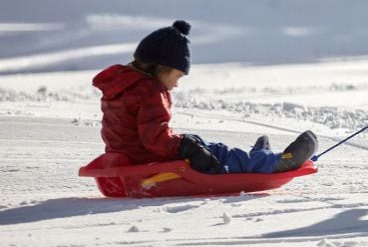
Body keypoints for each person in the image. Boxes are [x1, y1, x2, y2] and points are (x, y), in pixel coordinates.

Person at [92, 20, 317, 174]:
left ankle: (257, 158)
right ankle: (274, 163)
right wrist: (187, 149)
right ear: (162, 67)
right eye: (178, 76)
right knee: (217, 153)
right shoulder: (150, 91)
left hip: (131, 155)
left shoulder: (124, 83)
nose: (177, 84)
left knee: (197, 141)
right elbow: (155, 139)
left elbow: (144, 134)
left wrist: (186, 143)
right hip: (150, 160)